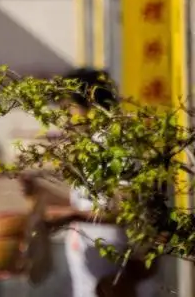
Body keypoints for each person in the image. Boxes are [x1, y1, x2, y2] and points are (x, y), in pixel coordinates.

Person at [36, 69, 158, 297]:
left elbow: (126, 210)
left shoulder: (116, 147)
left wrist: (73, 216)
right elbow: (88, 204)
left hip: (119, 284)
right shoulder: (91, 148)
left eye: (69, 108)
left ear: (91, 105)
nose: (65, 118)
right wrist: (41, 193)